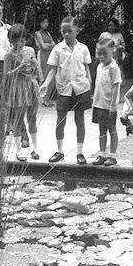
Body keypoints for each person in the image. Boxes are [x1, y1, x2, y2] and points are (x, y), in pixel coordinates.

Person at [39, 16, 93, 164]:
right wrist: (46, 84)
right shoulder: (58, 49)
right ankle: (59, 151)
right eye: (64, 32)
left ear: (77, 30)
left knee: (79, 120)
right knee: (60, 120)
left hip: (80, 88)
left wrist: (89, 82)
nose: (67, 34)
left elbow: (86, 67)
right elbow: (52, 70)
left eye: (70, 31)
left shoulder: (83, 48)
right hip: (63, 89)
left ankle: (80, 152)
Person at [4, 23, 42, 161]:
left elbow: (37, 69)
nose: (20, 43)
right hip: (18, 86)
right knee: (18, 120)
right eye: (16, 40)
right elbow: (6, 75)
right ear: (11, 41)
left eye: (22, 39)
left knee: (33, 118)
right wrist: (18, 68)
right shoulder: (9, 55)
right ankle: (19, 150)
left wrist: (35, 69)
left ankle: (35, 148)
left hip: (31, 84)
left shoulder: (31, 50)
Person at [91, 37, 122, 166]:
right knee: (101, 129)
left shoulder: (114, 68)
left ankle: (113, 155)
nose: (102, 57)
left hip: (109, 105)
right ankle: (102, 154)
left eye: (105, 54)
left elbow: (116, 86)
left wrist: (113, 105)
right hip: (99, 103)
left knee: (112, 129)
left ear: (112, 53)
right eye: (100, 54)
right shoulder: (99, 66)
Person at [34, 15, 55, 81]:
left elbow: (54, 44)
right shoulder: (38, 33)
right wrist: (49, 45)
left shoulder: (48, 33)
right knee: (43, 75)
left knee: (50, 74)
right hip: (42, 55)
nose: (45, 24)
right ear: (40, 23)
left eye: (46, 22)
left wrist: (47, 45)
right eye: (43, 22)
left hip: (49, 55)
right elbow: (43, 47)